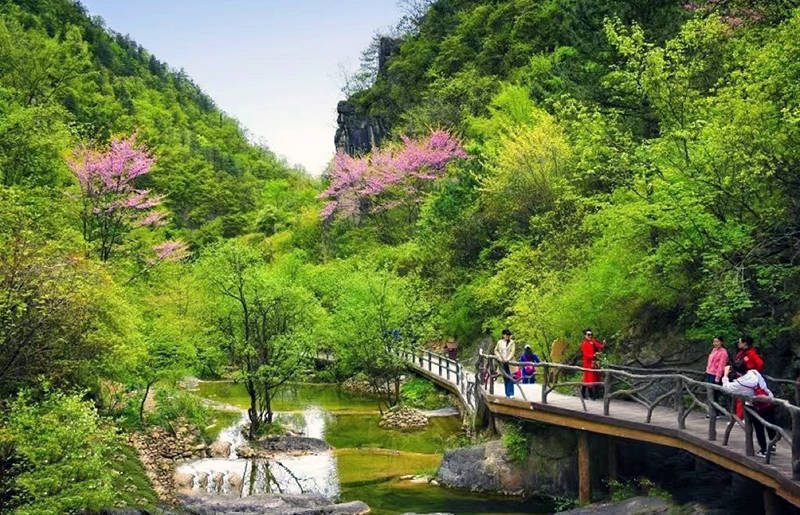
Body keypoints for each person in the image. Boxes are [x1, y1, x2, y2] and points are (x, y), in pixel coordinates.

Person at [722, 361, 778, 458]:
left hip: (756, 406)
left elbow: (727, 388)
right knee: (770, 423)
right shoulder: (754, 372)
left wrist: (725, 374)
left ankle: (764, 450)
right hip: (769, 400)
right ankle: (773, 444)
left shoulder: (740, 383)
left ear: (736, 372)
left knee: (758, 427)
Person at [705, 336, 728, 417]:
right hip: (709, 373)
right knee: (710, 393)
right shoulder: (714, 350)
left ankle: (715, 412)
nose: (715, 343)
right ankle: (712, 411)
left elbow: (721, 366)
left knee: (714, 393)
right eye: (714, 342)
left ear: (721, 342)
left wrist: (717, 377)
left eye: (717, 342)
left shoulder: (723, 352)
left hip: (715, 374)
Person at [581, 329, 605, 400]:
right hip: (587, 363)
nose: (590, 336)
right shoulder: (584, 344)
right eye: (588, 334)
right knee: (589, 378)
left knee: (592, 378)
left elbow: (599, 346)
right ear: (585, 336)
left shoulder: (593, 341)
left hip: (593, 363)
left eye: (591, 334)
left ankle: (588, 394)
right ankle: (590, 395)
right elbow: (585, 354)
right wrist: (594, 355)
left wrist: (603, 344)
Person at [495, 328, 516, 397]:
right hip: (502, 362)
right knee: (505, 377)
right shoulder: (499, 342)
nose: (507, 336)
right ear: (503, 335)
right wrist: (499, 357)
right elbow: (496, 350)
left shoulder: (512, 342)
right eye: (506, 335)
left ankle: (511, 393)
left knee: (510, 376)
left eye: (508, 335)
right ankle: (507, 393)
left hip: (509, 363)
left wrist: (508, 359)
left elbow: (512, 352)